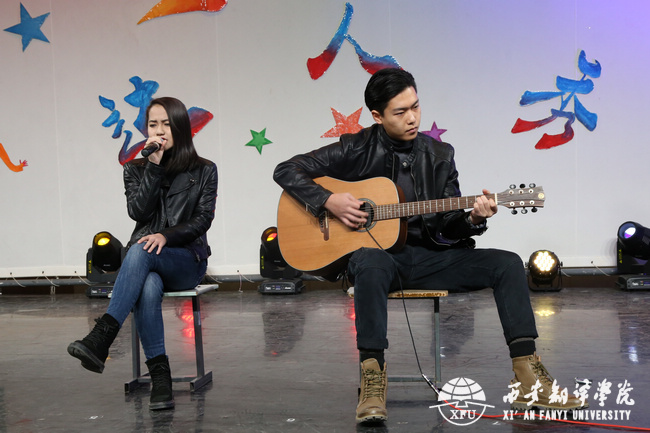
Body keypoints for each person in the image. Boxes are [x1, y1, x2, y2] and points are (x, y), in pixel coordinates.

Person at [273, 68, 587, 424]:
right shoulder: (356, 147)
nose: (412, 118)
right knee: (372, 262)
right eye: (400, 112)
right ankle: (372, 377)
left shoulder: (439, 154)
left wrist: (473, 219)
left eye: (416, 107)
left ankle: (528, 376)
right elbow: (286, 169)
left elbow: (448, 226)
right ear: (377, 116)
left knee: (509, 263)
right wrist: (329, 200)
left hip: (431, 258)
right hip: (379, 263)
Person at [68, 97, 218, 410]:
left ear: (180, 128)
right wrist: (153, 167)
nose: (159, 131)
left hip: (185, 259)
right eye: (153, 125)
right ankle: (160, 380)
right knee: (147, 283)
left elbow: (202, 219)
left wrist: (166, 236)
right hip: (146, 260)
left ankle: (103, 336)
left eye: (166, 124)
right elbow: (138, 212)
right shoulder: (136, 169)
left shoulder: (204, 170)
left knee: (140, 250)